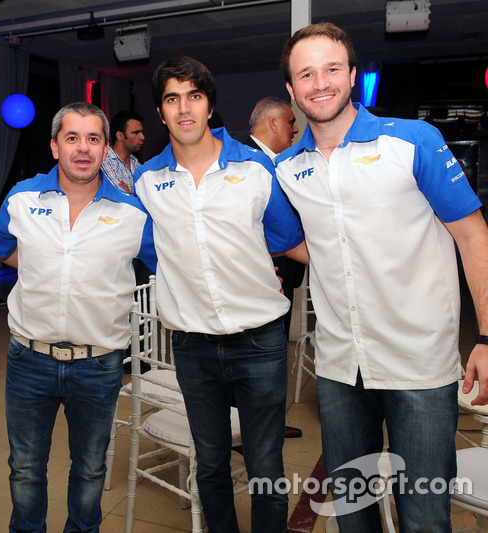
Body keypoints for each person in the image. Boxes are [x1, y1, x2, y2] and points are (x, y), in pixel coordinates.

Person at [275, 22, 488, 531]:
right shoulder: (288, 166)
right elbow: (290, 241)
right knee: (352, 511)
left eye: (331, 69)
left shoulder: (412, 141)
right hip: (340, 366)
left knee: (423, 515)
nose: (319, 83)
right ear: (291, 89)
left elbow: (473, 235)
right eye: (306, 74)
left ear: (352, 76)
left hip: (419, 361)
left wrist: (486, 336)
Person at [134, 55, 307, 533]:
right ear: (161, 112)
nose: (184, 108)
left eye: (194, 96)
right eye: (172, 98)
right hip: (192, 344)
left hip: (260, 340)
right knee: (209, 462)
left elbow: (288, 240)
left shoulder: (255, 168)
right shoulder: (148, 181)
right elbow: (150, 250)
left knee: (265, 463)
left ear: (210, 106)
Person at [0, 102, 156, 533]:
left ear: (106, 148)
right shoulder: (22, 198)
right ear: (55, 146)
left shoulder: (133, 214)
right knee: (25, 469)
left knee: (90, 471)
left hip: (99, 365)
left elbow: (175, 263)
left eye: (94, 139)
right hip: (28, 362)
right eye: (72, 138)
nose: (83, 148)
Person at [245, 98, 305, 440]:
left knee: (272, 346)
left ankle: (265, 424)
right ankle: (252, 428)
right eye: (290, 121)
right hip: (267, 270)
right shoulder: (249, 162)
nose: (295, 128)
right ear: (272, 124)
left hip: (285, 266)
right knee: (258, 349)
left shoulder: (275, 162)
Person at [101, 110, 145, 194]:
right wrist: (135, 196)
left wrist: (131, 195)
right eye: (136, 133)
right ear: (120, 135)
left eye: (142, 132)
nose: (142, 137)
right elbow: (120, 197)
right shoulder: (105, 160)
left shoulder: (137, 164)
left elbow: (151, 200)